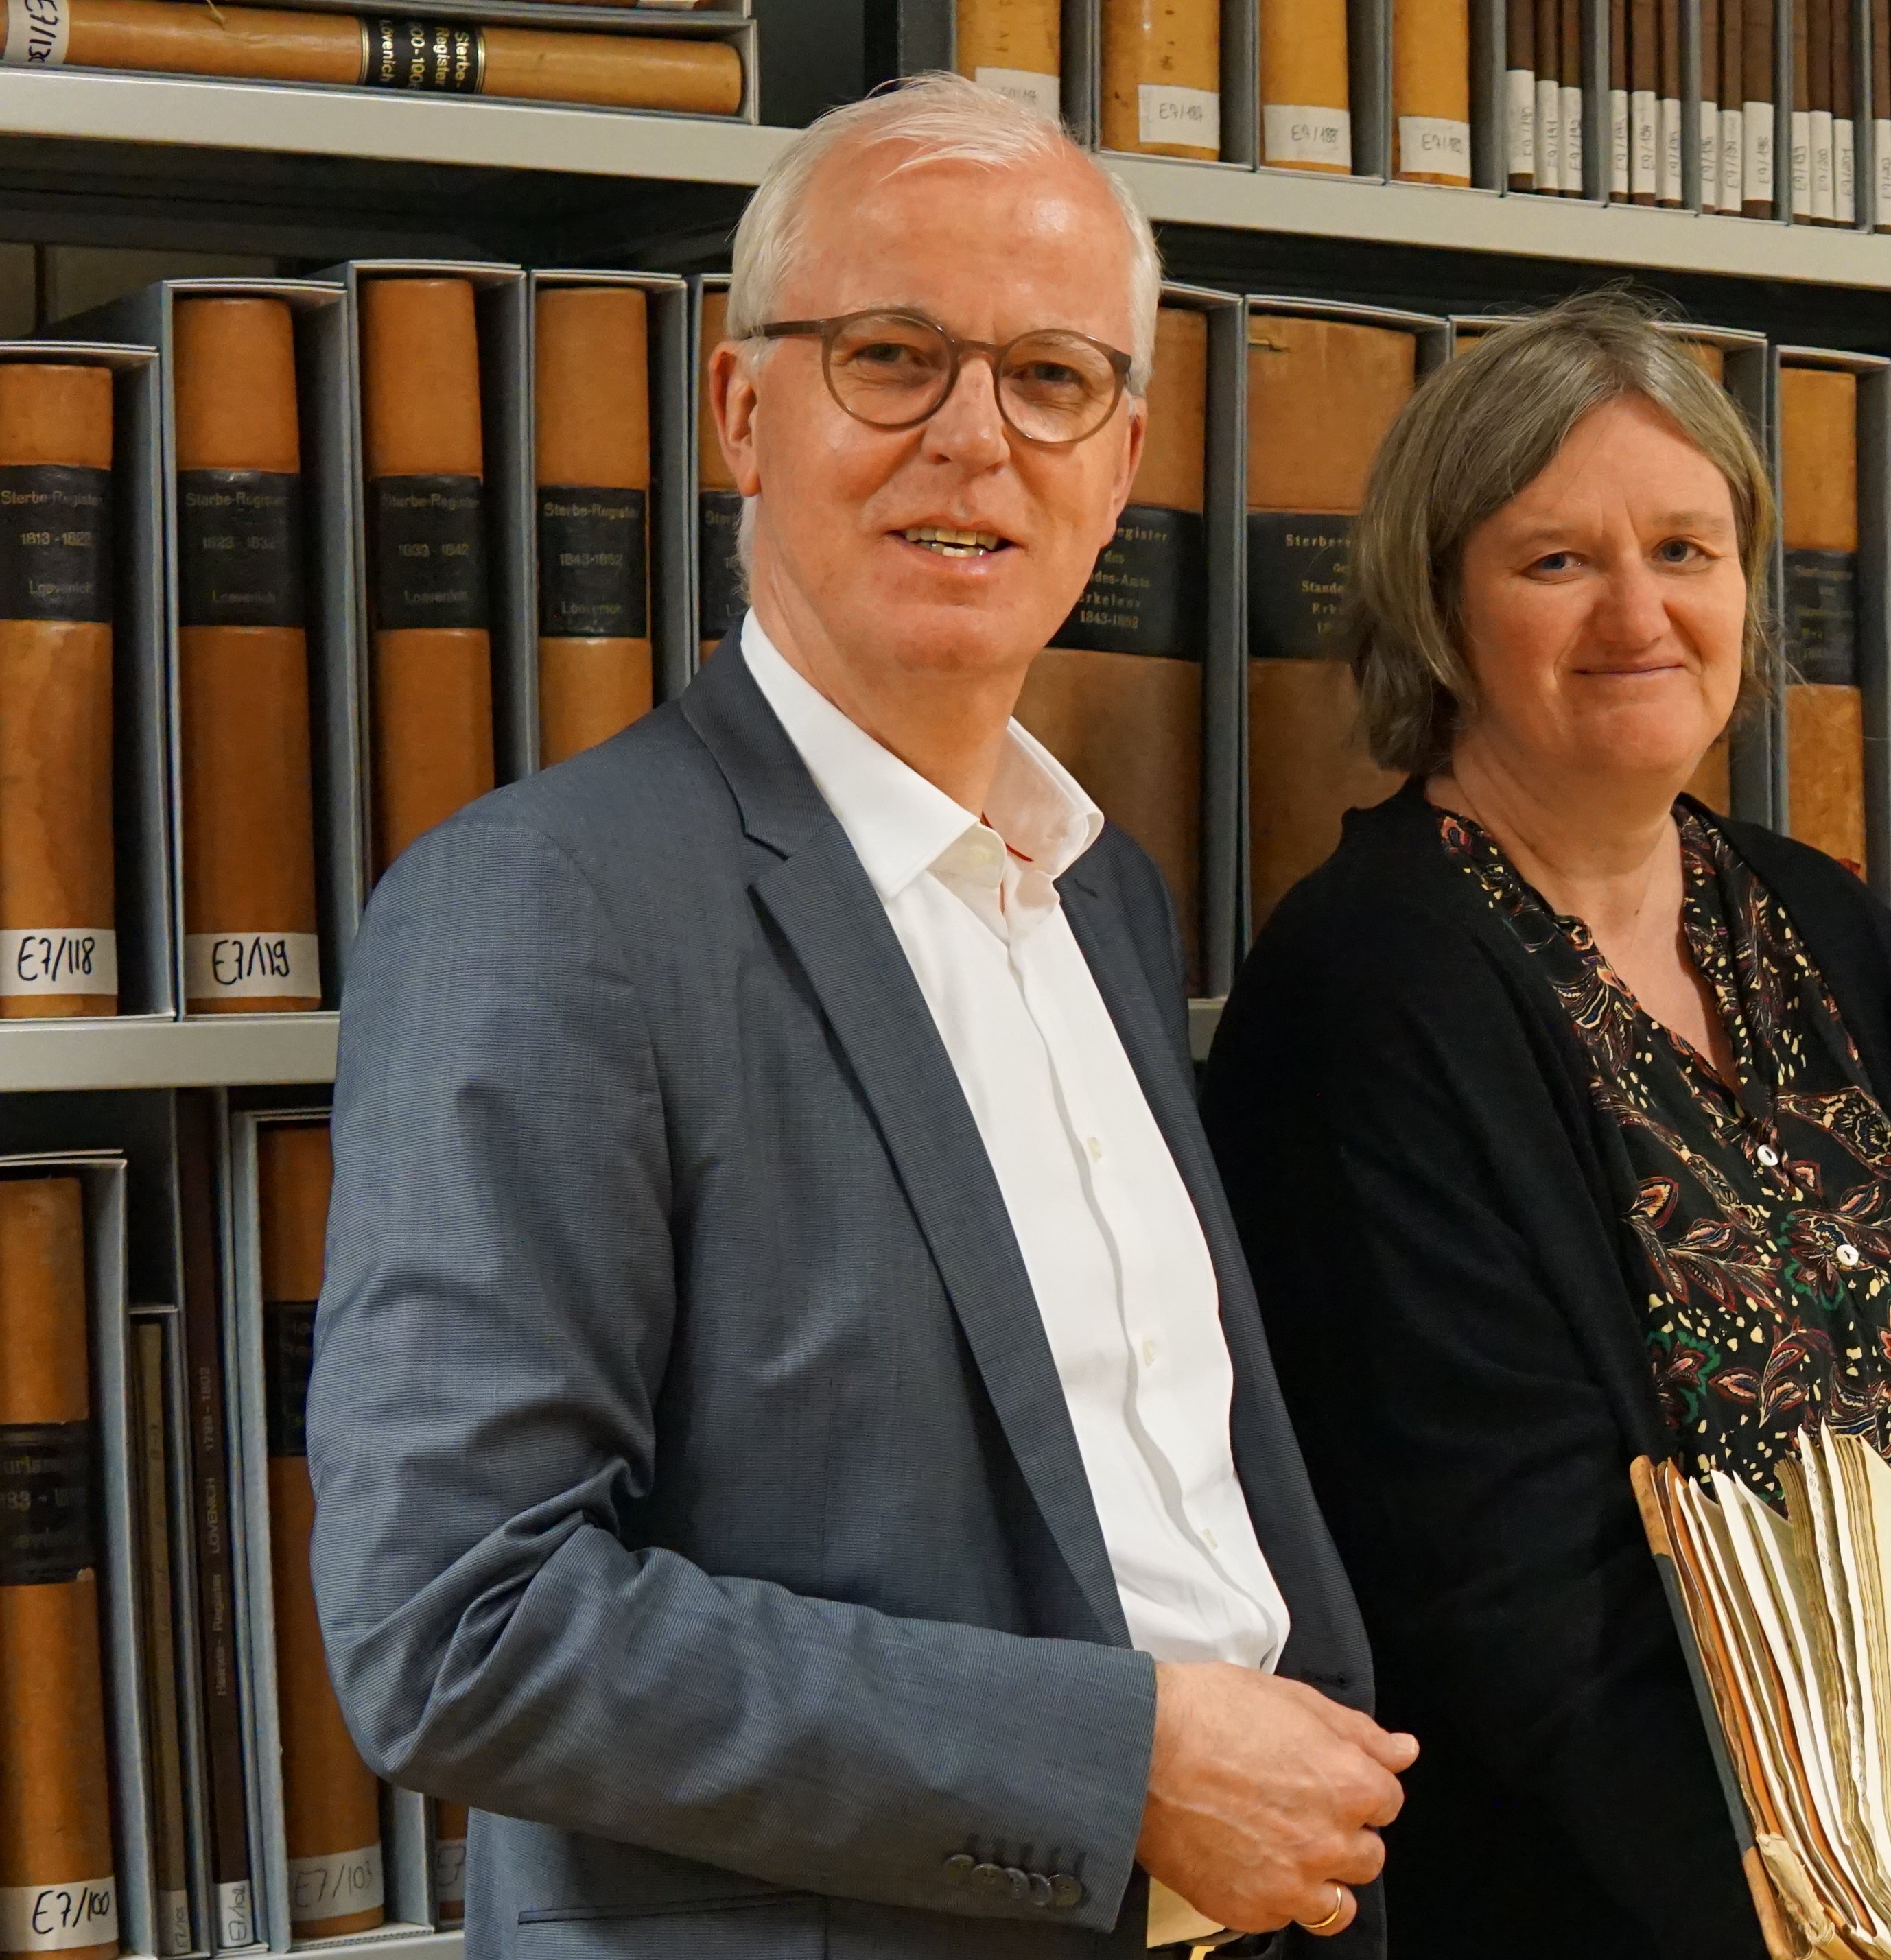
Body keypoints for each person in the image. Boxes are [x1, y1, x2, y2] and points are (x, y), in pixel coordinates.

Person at [304, 75, 1410, 1958]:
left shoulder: (1107, 900)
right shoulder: (551, 904)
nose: (975, 439)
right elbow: (456, 1626)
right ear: (746, 409)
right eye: (893, 355)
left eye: (1050, 377)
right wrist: (1114, 1766)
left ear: (1122, 453)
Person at [1199, 287, 1891, 1960]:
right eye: (1556, 561)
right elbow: (1501, 1608)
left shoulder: (1822, 924)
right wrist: (1835, 1924)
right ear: (1439, 607)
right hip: (1640, 1910)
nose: (1638, 613)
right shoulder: (1370, 985)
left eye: (1687, 547)